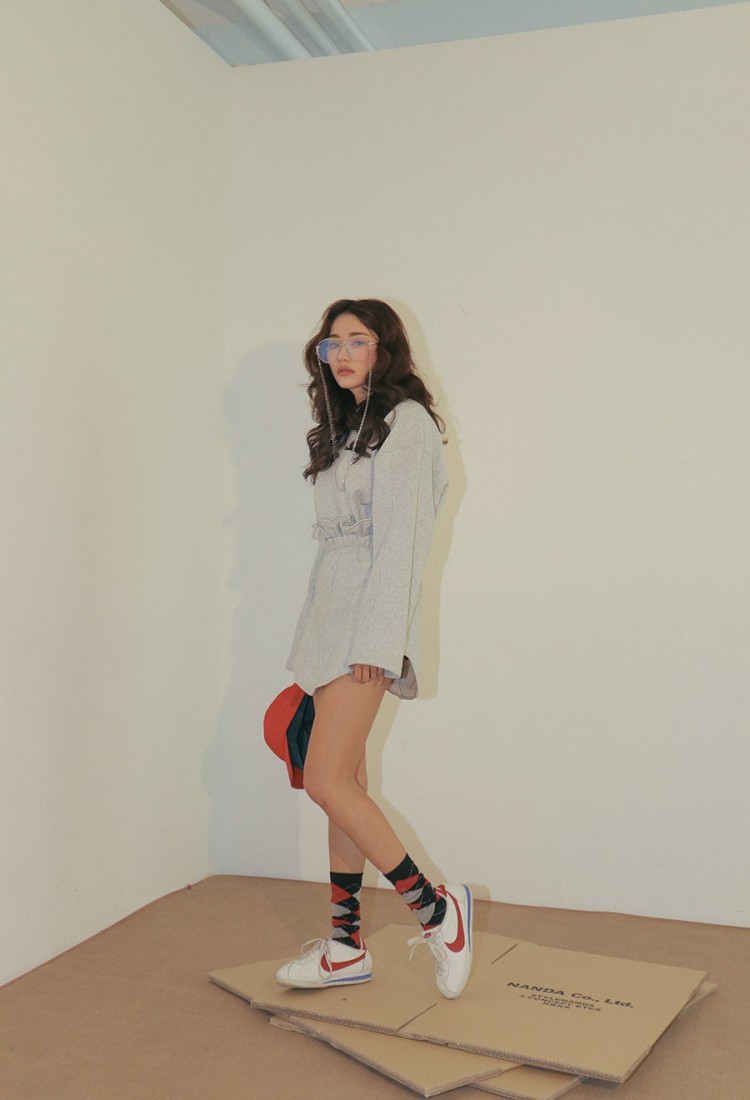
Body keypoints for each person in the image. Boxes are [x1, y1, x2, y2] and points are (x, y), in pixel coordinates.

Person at [276, 299, 472, 999]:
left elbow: (401, 542)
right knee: (344, 787)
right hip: (330, 619)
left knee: (326, 779)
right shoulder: (345, 427)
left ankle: (436, 911)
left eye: (358, 340)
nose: (343, 354)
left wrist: (380, 639)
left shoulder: (407, 423)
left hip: (367, 621)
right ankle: (345, 946)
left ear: (385, 348)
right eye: (332, 344)